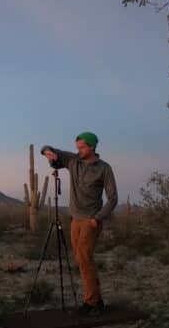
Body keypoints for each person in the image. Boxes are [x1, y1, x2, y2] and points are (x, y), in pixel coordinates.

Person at [41, 132, 118, 313]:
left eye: (82, 147)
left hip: (91, 220)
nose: (79, 150)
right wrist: (47, 153)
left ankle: (90, 302)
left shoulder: (104, 168)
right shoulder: (73, 160)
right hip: (75, 219)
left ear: (92, 147)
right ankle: (97, 300)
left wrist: (97, 218)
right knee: (82, 259)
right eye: (78, 147)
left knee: (84, 258)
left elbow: (113, 198)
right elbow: (48, 148)